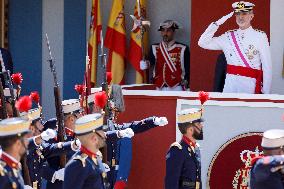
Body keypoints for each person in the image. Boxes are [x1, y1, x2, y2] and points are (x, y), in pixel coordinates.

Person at [198, 1, 272, 94]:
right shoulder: (228, 36)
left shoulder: (260, 36)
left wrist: (265, 94)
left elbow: (267, 67)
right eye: (238, 14)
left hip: (250, 87)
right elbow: (202, 42)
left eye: (244, 14)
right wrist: (217, 23)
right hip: (230, 86)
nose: (241, 17)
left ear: (251, 16)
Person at [140, 20, 190, 91]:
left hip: (176, 87)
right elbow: (151, 62)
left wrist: (187, 82)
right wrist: (145, 64)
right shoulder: (154, 47)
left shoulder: (183, 48)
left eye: (168, 30)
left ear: (173, 32)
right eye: (163, 30)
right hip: (158, 86)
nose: (165, 33)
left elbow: (188, 69)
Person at [63, 113, 108, 189]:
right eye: (102, 131)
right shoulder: (78, 164)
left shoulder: (96, 157)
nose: (104, 135)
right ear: (94, 138)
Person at [165, 108, 204, 189]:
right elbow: (171, 182)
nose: (201, 126)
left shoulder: (196, 148)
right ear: (190, 130)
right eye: (198, 123)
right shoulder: (177, 150)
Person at [0, 117, 32, 189]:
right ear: (18, 144)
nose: (27, 143)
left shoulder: (12, 165)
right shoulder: (3, 173)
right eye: (25, 139)